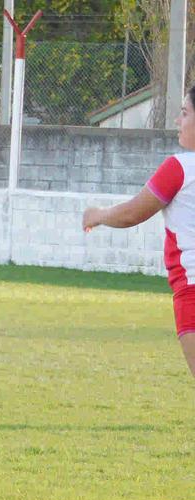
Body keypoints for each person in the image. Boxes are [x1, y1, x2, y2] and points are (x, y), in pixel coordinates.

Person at [83, 86, 195, 378]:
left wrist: (98, 215)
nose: (177, 121)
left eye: (184, 113)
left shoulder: (180, 168)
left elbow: (133, 213)